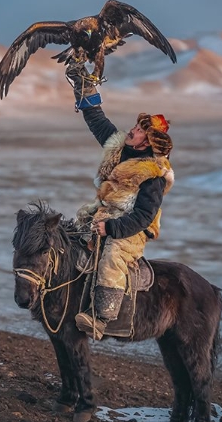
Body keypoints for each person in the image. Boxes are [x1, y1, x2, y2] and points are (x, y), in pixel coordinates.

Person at [66, 62, 174, 340]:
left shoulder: (154, 176)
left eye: (139, 130)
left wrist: (112, 229)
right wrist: (85, 90)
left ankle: (102, 318)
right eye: (135, 126)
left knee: (113, 256)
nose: (132, 130)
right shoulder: (118, 148)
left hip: (130, 230)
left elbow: (143, 217)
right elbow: (98, 121)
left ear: (147, 143)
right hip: (103, 215)